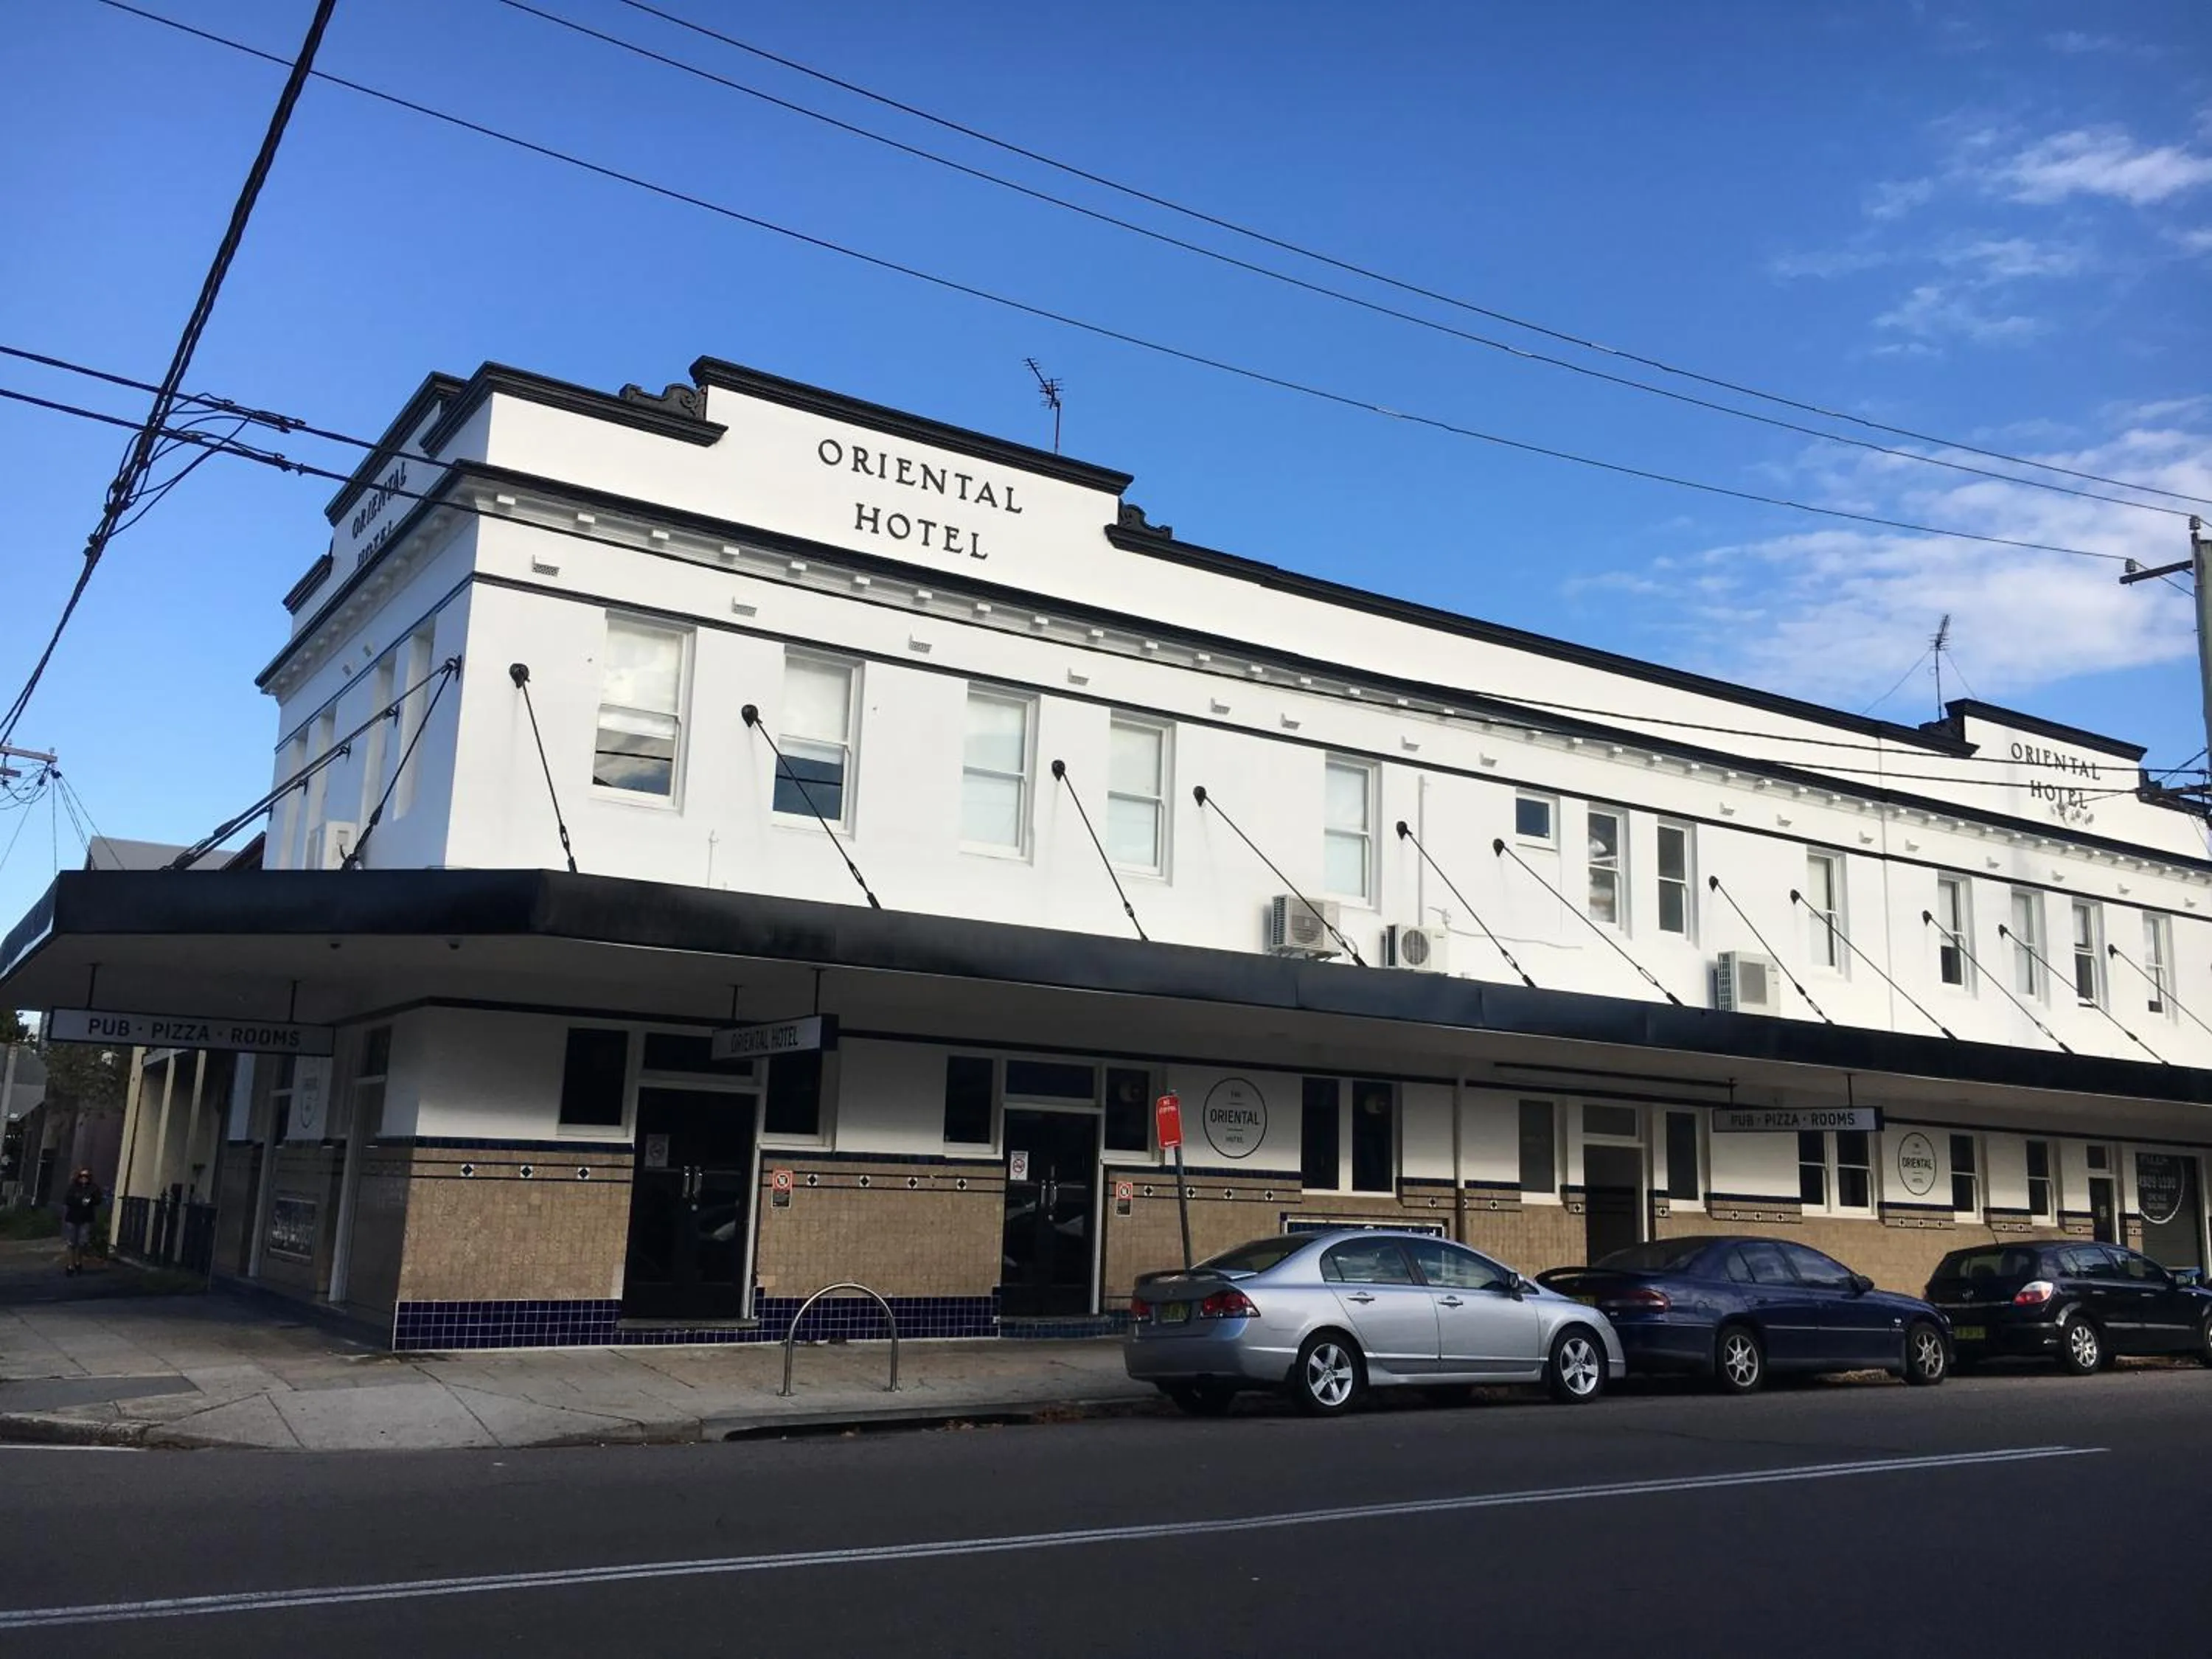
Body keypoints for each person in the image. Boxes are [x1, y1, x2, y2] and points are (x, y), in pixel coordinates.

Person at [60, 1169, 102, 1276]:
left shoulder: (93, 1188)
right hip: (72, 1218)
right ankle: (70, 1265)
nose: (84, 1178)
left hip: (86, 1219)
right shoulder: (73, 1188)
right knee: (71, 1243)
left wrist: (91, 1200)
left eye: (86, 1177)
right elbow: (67, 1200)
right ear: (78, 1177)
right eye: (82, 1176)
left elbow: (98, 1200)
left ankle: (78, 1262)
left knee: (82, 1243)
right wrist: (79, 1201)